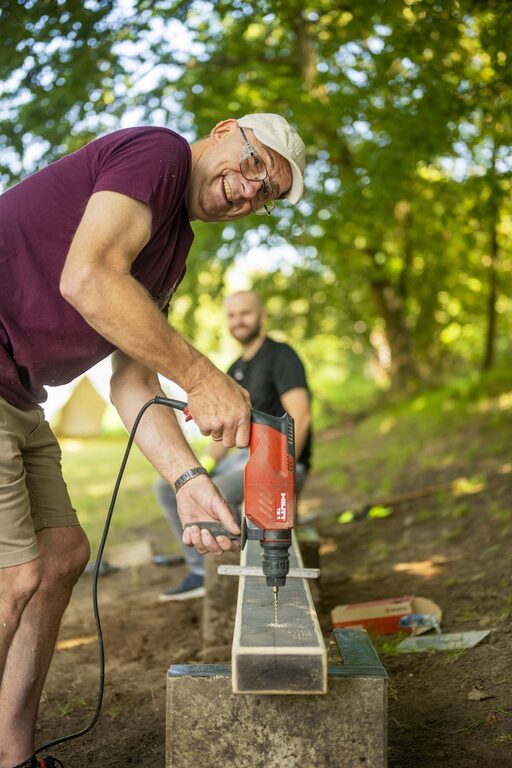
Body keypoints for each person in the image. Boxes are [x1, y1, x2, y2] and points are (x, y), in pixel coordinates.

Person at [0, 114, 306, 768]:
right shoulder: (157, 152)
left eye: (267, 196)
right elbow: (88, 279)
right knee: (15, 574)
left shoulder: (171, 251)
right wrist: (201, 375)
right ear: (226, 132)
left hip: (18, 395)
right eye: (255, 167)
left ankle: (15, 756)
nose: (250, 194)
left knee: (60, 558)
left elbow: (133, 384)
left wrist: (190, 482)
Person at [155, 289, 312, 601]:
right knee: (168, 486)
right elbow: (223, 436)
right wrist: (203, 468)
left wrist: (280, 472)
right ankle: (201, 572)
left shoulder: (282, 356)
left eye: (245, 313)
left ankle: (252, 577)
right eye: (232, 315)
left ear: (262, 317)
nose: (238, 321)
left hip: (280, 466)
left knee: (220, 492)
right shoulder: (233, 369)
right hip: (240, 461)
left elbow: (301, 417)